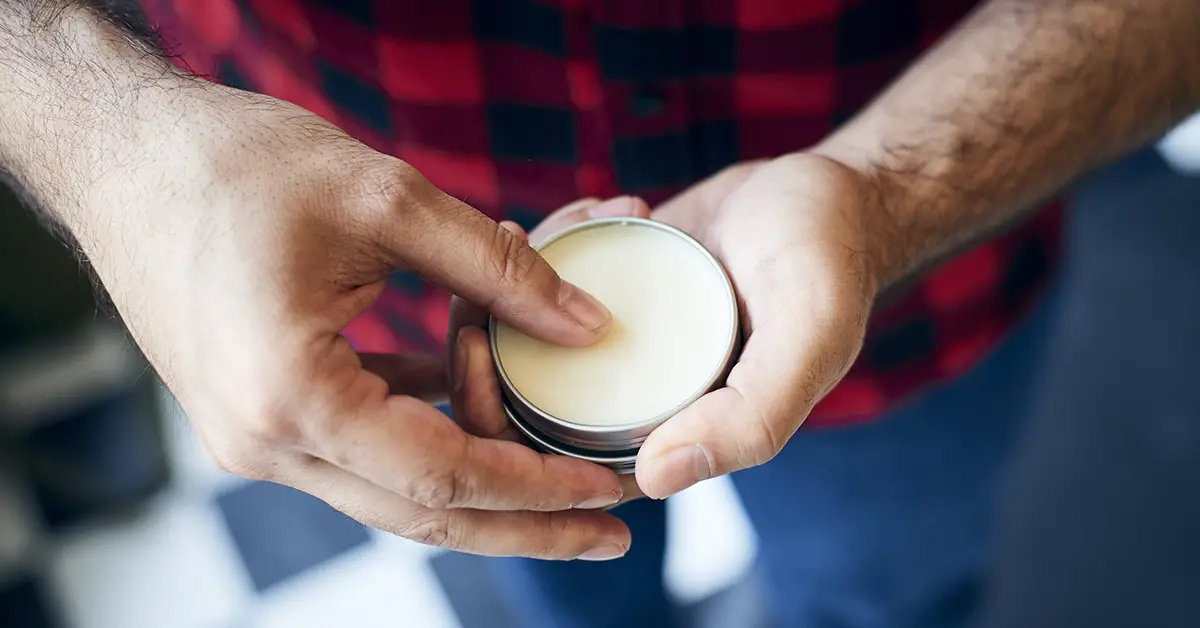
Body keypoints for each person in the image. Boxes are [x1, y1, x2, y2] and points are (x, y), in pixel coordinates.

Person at [0, 0, 1195, 626]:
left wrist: (890, 190)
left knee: (879, 598)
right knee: (563, 588)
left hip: (929, 264)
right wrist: (111, 143)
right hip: (370, 242)